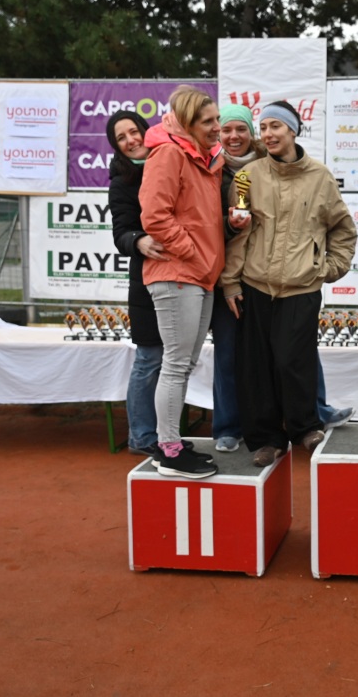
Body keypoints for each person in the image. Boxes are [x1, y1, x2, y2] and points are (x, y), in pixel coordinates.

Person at [210, 104, 354, 454]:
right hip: (254, 285)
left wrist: (327, 268)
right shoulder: (247, 177)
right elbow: (238, 235)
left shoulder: (321, 177)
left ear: (293, 130)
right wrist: (231, 282)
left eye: (276, 126)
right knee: (256, 366)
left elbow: (342, 228)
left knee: (294, 360)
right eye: (263, 127)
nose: (268, 134)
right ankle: (265, 440)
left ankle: (305, 427)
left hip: (301, 286)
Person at [137, 86, 224, 480]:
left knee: (184, 363)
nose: (217, 127)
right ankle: (169, 450)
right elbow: (155, 215)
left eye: (217, 119)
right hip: (178, 274)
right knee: (175, 364)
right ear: (188, 123)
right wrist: (192, 251)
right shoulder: (169, 153)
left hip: (199, 273)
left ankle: (169, 440)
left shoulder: (203, 156)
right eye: (208, 121)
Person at [106, 110, 165, 457]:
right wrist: (138, 240)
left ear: (145, 131)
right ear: (116, 147)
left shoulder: (170, 163)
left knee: (174, 362)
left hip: (184, 277)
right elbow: (121, 232)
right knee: (149, 358)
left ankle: (168, 434)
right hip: (146, 282)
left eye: (133, 131)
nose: (131, 140)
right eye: (121, 138)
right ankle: (142, 435)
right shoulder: (121, 183)